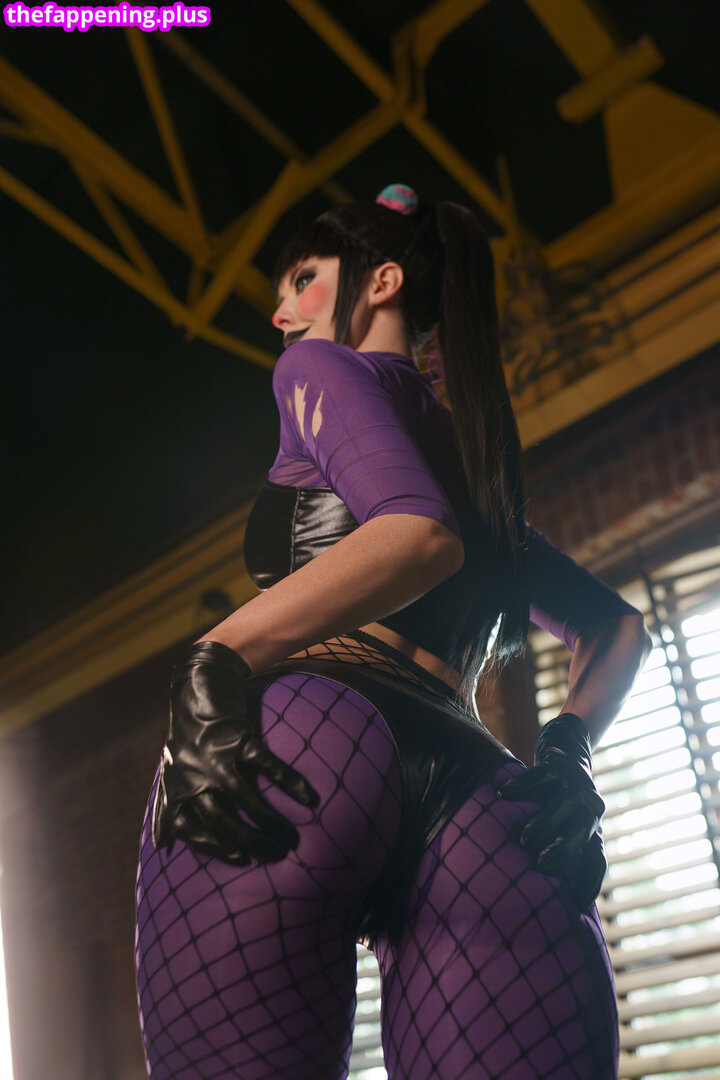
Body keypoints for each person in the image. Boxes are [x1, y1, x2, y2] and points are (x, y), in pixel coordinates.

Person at [135, 184, 651, 1080]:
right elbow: (615, 626)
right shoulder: (474, 456)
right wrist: (567, 754)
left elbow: (415, 534)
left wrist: (216, 655)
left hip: (312, 736)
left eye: (303, 279)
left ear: (380, 283)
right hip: (485, 794)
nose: (280, 311)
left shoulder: (317, 370)